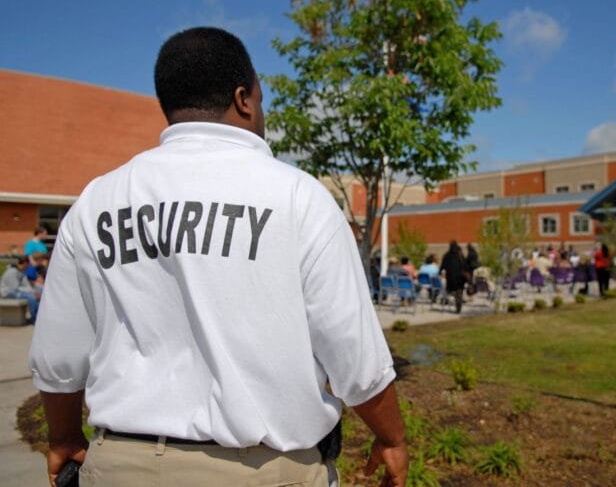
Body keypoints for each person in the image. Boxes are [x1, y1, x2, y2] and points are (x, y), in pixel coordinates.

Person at [29, 27, 407, 487]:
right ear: (243, 99)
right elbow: (354, 355)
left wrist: (64, 437)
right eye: (261, 99)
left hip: (120, 468)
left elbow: (58, 356)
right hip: (262, 471)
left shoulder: (97, 202)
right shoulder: (298, 197)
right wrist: (391, 438)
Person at [1, 256, 41, 324]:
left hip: (16, 291)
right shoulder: (11, 272)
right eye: (28, 265)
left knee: (40, 292)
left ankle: (39, 316)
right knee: (31, 297)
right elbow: (14, 288)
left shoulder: (22, 272)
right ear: (25, 263)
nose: (28, 267)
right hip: (7, 292)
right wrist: (32, 293)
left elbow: (26, 285)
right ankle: (34, 318)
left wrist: (34, 291)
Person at [440, 240, 466, 313]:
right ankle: (458, 306)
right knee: (459, 292)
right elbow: (465, 265)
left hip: (450, 279)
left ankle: (457, 303)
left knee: (455, 292)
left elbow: (442, 267)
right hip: (459, 279)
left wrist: (440, 273)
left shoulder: (447, 256)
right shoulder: (460, 256)